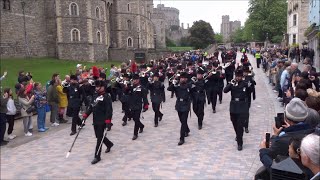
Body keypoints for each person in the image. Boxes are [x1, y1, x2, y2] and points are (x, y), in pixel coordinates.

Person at [82, 80, 114, 165]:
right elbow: (91, 107)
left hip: (103, 120)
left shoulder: (107, 96)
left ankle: (97, 156)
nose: (96, 88)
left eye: (98, 86)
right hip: (95, 119)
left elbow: (109, 110)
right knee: (98, 136)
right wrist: (85, 116)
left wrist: (108, 122)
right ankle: (109, 144)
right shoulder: (95, 95)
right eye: (95, 86)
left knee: (99, 138)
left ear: (103, 87)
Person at [223, 69, 250, 151]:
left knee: (239, 125)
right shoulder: (233, 83)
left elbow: (250, 91)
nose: (238, 78)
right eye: (237, 76)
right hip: (234, 106)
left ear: (242, 77)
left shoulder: (245, 84)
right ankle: (238, 135)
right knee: (234, 123)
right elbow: (225, 90)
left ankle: (240, 143)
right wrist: (230, 83)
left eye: (239, 76)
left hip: (242, 106)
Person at [167, 72, 192, 146]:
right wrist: (174, 83)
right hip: (179, 104)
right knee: (181, 120)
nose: (182, 79)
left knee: (183, 121)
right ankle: (187, 130)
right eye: (181, 78)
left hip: (186, 104)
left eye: (184, 78)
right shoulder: (177, 85)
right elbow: (169, 89)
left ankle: (182, 138)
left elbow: (192, 89)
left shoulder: (189, 85)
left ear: (186, 79)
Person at [127, 74, 149, 140]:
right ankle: (141, 126)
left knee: (136, 119)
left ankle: (135, 134)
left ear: (138, 80)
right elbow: (126, 93)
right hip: (132, 105)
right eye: (133, 80)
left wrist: (145, 106)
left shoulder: (142, 88)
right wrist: (127, 87)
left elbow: (145, 97)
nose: (134, 81)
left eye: (136, 80)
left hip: (138, 105)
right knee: (134, 119)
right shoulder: (131, 87)